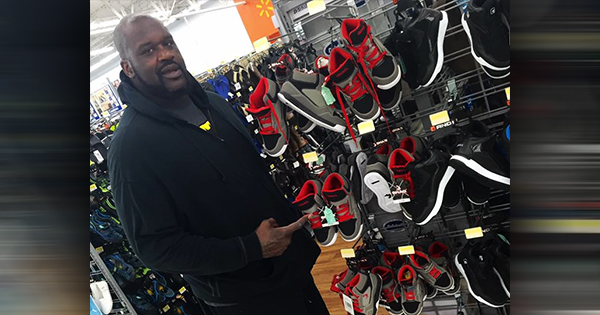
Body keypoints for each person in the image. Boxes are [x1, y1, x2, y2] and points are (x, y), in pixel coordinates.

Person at [107, 14, 329, 315]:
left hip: (291, 273)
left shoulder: (213, 103)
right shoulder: (131, 146)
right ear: (128, 68)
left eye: (168, 43)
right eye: (148, 50)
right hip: (242, 299)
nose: (166, 54)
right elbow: (154, 248)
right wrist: (249, 248)